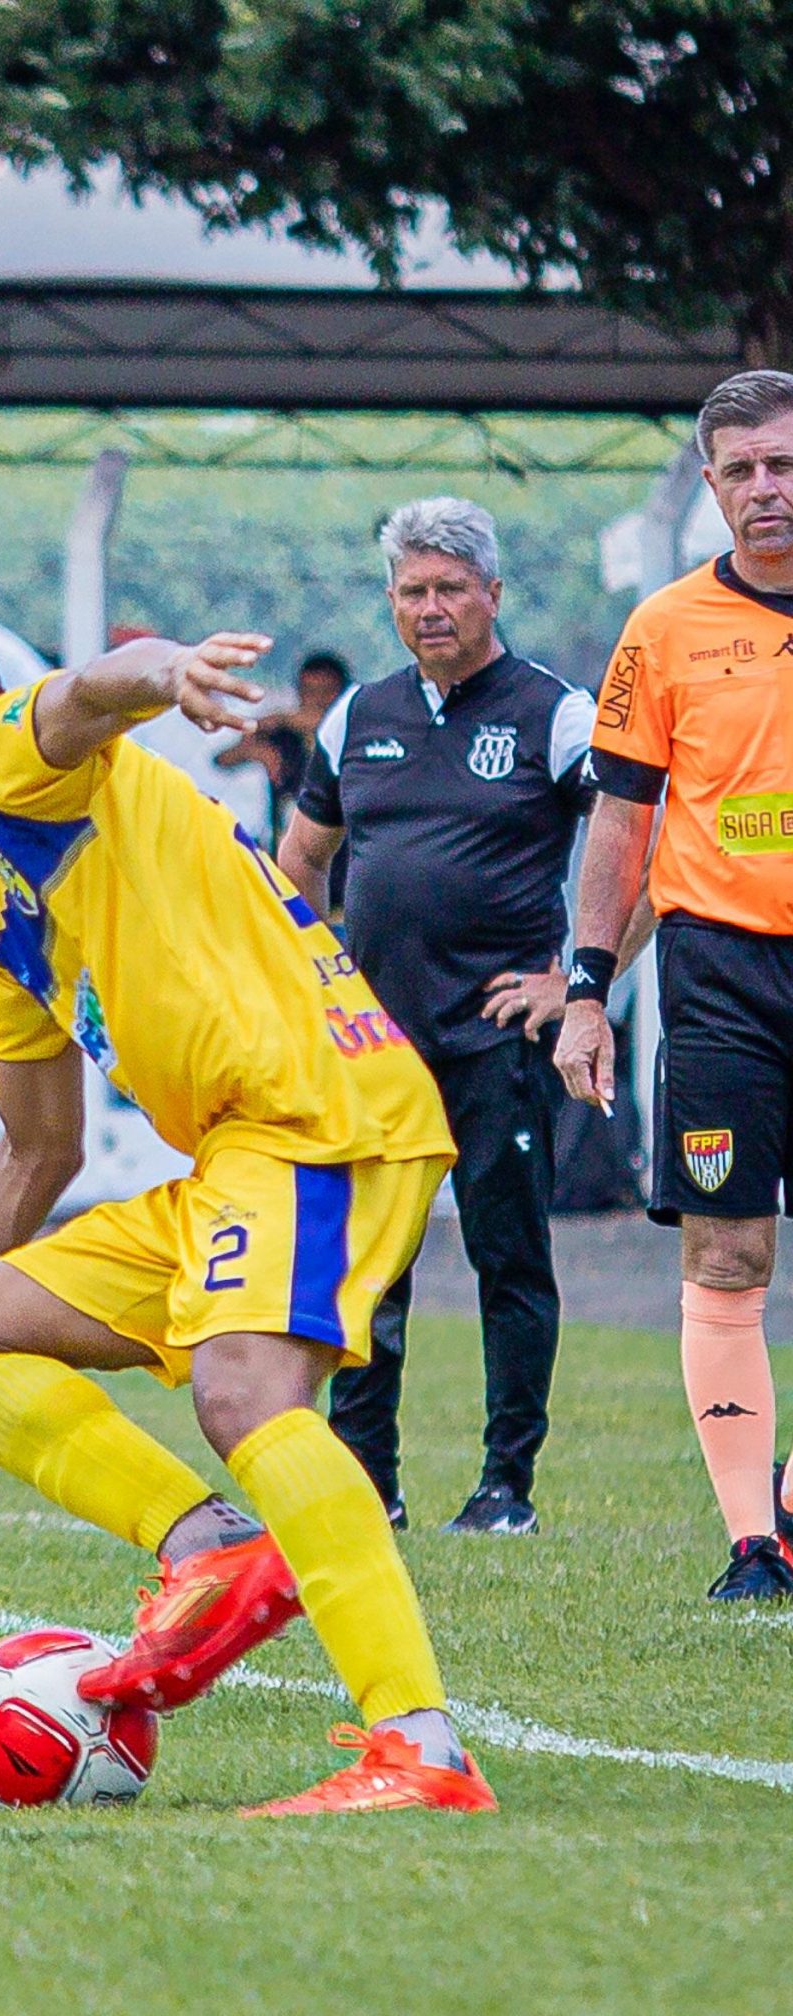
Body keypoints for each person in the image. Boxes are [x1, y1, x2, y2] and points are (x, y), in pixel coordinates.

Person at [0, 593, 493, 1817]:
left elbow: (93, 689)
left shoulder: (3, 755)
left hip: (319, 1116)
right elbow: (33, 1153)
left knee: (241, 1387)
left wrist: (167, 668)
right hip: (232, 1162)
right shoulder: (1, 912)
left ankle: (419, 1748)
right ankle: (204, 1548)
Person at [276, 500, 594, 1538]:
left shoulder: (554, 712)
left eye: (450, 587)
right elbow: (302, 860)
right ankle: (369, 1481)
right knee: (369, 1271)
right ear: (391, 601)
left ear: (492, 594)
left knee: (508, 1258)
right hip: (376, 1049)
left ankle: (507, 1485)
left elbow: (637, 842)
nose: (431, 608)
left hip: (498, 1040)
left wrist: (574, 981)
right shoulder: (355, 716)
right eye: (412, 590)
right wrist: (313, 979)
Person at [556, 369, 793, 1603]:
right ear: (708, 486)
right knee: (725, 1248)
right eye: (742, 469)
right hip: (720, 976)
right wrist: (587, 985)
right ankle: (752, 1543)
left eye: (785, 463)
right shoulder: (660, 630)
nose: (768, 488)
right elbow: (619, 824)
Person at [220, 650, 351, 841]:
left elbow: (320, 722)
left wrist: (284, 719)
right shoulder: (286, 736)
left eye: (324, 692)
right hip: (285, 845)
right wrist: (255, 750)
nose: (314, 700)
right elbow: (223, 759)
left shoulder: (356, 732)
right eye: (307, 691)